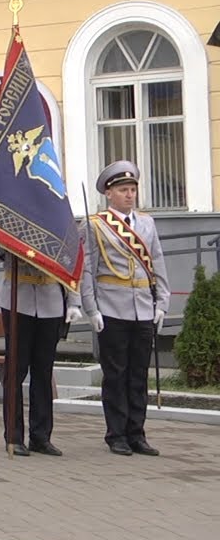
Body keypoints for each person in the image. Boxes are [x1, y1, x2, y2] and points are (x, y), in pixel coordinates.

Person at [81, 160, 169, 457]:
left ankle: (137, 433)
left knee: (138, 374)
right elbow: (88, 271)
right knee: (115, 374)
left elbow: (157, 263)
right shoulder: (95, 225)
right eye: (123, 190)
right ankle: (115, 434)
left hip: (143, 307)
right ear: (109, 193)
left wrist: (162, 303)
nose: (130, 195)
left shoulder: (147, 223)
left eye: (132, 189)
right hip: (112, 308)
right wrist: (91, 309)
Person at [0, 237, 84, 456]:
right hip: (17, 298)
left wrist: (74, 301)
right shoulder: (6, 216)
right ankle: (14, 436)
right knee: (15, 370)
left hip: (51, 300)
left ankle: (41, 436)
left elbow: (71, 261)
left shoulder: (56, 215)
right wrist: (5, 246)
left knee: (43, 372)